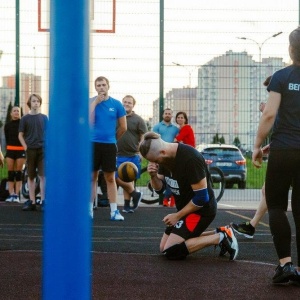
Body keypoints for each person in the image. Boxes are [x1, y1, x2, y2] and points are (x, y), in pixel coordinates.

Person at [139, 132, 238, 261]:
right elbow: (160, 189)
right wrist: (153, 176)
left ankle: (221, 238)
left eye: (156, 160)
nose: (156, 163)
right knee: (163, 247)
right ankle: (221, 232)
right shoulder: (164, 158)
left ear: (162, 152)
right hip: (185, 210)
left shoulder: (191, 159)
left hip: (201, 210)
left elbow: (202, 198)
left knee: (171, 250)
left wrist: (177, 216)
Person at [252, 27, 300, 285]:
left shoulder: (281, 76)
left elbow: (269, 115)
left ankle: (285, 265)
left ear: (291, 50)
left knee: (278, 206)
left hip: (283, 150)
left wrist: (258, 145)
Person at [231, 76, 272, 238]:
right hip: (286, 152)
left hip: (289, 155)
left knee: (270, 192)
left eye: (270, 89)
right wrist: (264, 150)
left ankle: (252, 226)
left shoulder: (282, 104)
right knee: (267, 190)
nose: (269, 93)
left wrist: (257, 147)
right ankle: (252, 226)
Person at [90, 76, 127, 220]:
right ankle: (89, 210)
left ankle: (114, 211)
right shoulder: (90, 102)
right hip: (92, 144)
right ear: (95, 87)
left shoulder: (117, 104)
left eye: (103, 85)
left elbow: (123, 127)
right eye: (98, 85)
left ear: (108, 86)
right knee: (91, 177)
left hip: (109, 145)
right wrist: (95, 103)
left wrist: (112, 140)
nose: (101, 87)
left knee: (110, 178)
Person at [115, 95, 147, 213]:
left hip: (133, 154)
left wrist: (141, 153)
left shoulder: (138, 120)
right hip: (117, 154)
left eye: (129, 102)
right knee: (115, 177)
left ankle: (127, 205)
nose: (127, 104)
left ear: (133, 105)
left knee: (128, 179)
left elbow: (143, 137)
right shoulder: (117, 118)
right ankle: (135, 194)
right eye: (125, 102)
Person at [18, 94, 48, 211]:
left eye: (37, 101)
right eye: (33, 101)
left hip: (42, 149)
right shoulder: (25, 119)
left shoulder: (44, 118)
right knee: (30, 176)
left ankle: (44, 200)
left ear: (40, 103)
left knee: (43, 176)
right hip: (30, 149)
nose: (35, 103)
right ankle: (32, 201)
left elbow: (49, 133)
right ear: (29, 103)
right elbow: (20, 135)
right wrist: (25, 146)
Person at [153, 108, 179, 207]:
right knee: (162, 177)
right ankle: (166, 197)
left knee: (171, 177)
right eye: (166, 113)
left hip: (171, 156)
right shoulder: (157, 127)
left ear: (172, 115)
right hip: (160, 155)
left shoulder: (176, 129)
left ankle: (169, 198)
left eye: (169, 114)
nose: (167, 115)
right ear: (163, 115)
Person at [4, 106, 26, 203]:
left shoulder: (23, 124)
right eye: (14, 111)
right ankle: (11, 194)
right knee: (10, 173)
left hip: (20, 150)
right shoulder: (7, 125)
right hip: (10, 150)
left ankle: (17, 195)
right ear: (11, 113)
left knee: (18, 172)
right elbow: (7, 138)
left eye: (18, 111)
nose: (16, 112)